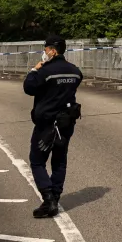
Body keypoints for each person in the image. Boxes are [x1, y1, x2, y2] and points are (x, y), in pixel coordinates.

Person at [23, 33, 83, 218]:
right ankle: (55, 197)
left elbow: (29, 88)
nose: (44, 52)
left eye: (46, 49)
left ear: (53, 51)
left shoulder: (45, 71)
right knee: (59, 161)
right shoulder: (74, 71)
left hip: (47, 124)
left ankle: (48, 198)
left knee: (37, 160)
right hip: (66, 123)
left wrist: (34, 69)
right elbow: (75, 82)